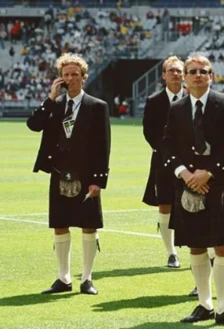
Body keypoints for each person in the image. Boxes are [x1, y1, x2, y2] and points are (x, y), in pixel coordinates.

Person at [163, 55, 224, 325]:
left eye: (203, 71)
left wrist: (207, 172)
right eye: (192, 71)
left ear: (211, 76)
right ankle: (204, 304)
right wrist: (185, 173)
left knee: (223, 246)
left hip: (217, 182)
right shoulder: (176, 108)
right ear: (185, 78)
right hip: (187, 184)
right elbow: (167, 146)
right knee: (196, 246)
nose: (198, 75)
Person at [27, 53, 111, 296]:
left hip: (86, 175)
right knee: (60, 225)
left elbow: (103, 146)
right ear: (60, 79)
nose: (71, 78)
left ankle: (86, 278)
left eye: (75, 74)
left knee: (88, 226)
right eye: (66, 75)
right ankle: (63, 278)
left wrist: (98, 180)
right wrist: (50, 98)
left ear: (84, 77)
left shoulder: (97, 106)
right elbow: (33, 125)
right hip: (59, 172)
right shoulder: (55, 105)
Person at [142, 55, 185, 268]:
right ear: (164, 75)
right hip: (163, 161)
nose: (175, 74)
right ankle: (171, 253)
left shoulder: (194, 98)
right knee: (165, 205)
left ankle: (201, 251)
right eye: (171, 70)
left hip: (191, 163)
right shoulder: (153, 101)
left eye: (179, 70)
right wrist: (168, 153)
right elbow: (149, 132)